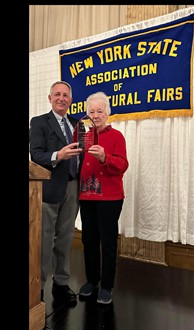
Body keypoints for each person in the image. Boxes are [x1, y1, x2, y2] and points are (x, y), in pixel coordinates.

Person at [29, 80, 83, 304]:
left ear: (71, 100)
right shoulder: (39, 122)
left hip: (73, 188)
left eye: (66, 95)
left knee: (65, 238)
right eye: (57, 94)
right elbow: (36, 155)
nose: (61, 98)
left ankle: (61, 284)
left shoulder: (78, 125)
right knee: (43, 241)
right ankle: (37, 287)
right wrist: (57, 156)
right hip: (49, 188)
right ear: (50, 98)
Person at [77, 91, 129, 305]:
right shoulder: (83, 136)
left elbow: (123, 165)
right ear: (87, 114)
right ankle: (92, 280)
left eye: (100, 111)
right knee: (88, 240)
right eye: (92, 111)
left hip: (110, 197)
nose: (96, 115)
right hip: (86, 196)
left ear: (107, 113)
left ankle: (107, 285)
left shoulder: (116, 136)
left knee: (107, 242)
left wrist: (105, 158)